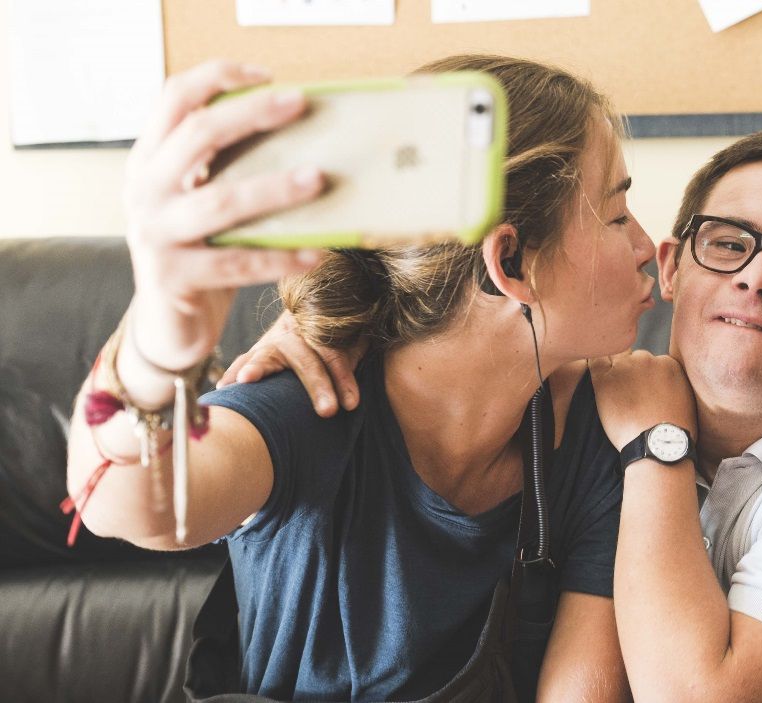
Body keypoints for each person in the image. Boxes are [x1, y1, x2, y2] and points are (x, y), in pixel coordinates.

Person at [250, 130, 762, 701]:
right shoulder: (596, 395)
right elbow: (456, 348)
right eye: (728, 244)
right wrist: (323, 331)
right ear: (671, 267)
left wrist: (656, 449)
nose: (756, 278)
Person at [65, 55, 654, 701]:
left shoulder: (599, 436)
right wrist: (159, 337)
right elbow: (124, 500)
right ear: (510, 262)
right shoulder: (312, 400)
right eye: (618, 214)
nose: (646, 247)